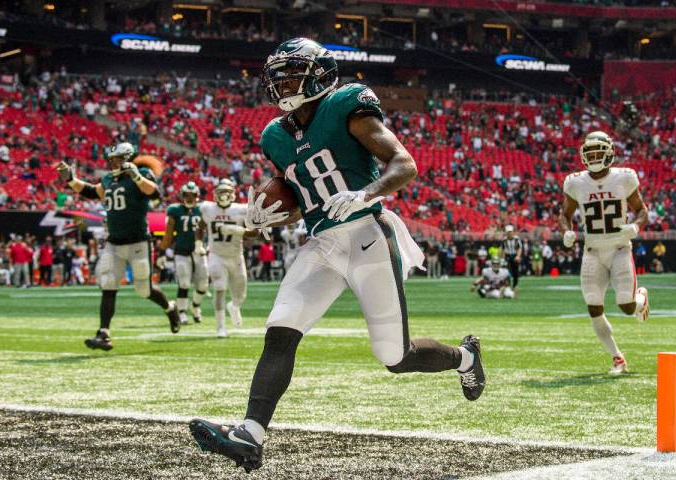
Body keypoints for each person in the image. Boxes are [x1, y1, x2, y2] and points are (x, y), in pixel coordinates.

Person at [189, 38, 485, 472]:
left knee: (395, 358)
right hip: (322, 242)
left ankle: (466, 358)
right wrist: (263, 216)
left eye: (293, 73)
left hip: (367, 233)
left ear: (320, 74)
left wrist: (365, 193)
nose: (284, 83)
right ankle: (250, 434)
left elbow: (404, 164)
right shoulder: (274, 134)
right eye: (279, 76)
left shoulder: (348, 103)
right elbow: (300, 201)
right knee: (281, 329)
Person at [57, 141, 180, 351]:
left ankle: (170, 308)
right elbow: (92, 191)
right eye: (111, 159)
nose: (113, 163)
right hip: (115, 241)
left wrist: (136, 176)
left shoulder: (140, 173)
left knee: (143, 289)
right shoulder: (109, 178)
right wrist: (71, 180)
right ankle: (104, 333)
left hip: (138, 240)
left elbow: (154, 194)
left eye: (118, 159)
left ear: (128, 158)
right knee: (108, 284)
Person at [560, 131, 650, 375]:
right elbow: (565, 214)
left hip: (620, 248)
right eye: (590, 153)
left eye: (599, 152)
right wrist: (566, 231)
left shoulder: (624, 177)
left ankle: (641, 298)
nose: (595, 157)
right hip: (592, 251)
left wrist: (636, 225)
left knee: (627, 306)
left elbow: (642, 209)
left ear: (610, 152)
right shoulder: (575, 182)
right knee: (593, 306)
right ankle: (617, 358)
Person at [200, 179, 257, 337]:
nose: (223, 195)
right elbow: (200, 226)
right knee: (219, 288)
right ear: (214, 194)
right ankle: (220, 328)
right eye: (220, 192)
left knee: (240, 294)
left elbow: (255, 232)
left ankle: (234, 306)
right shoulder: (207, 208)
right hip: (216, 255)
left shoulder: (241, 209)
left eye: (227, 191)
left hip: (236, 256)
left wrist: (234, 229)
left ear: (233, 194)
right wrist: (199, 242)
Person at [161, 182, 209, 325]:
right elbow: (168, 233)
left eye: (192, 195)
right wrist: (162, 251)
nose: (189, 198)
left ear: (197, 196)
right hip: (181, 251)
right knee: (184, 283)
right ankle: (182, 312)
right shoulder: (175, 210)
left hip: (199, 252)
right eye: (186, 195)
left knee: (203, 285)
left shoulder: (204, 209)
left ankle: (195, 306)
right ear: (181, 196)